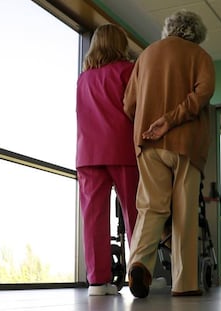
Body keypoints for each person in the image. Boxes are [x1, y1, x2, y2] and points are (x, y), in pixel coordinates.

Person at [123, 10, 215, 298]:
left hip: (148, 142)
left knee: (151, 207)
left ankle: (139, 262)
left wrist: (151, 121)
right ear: (196, 34)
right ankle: (185, 284)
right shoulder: (200, 56)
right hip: (187, 144)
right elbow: (203, 94)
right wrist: (173, 118)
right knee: (185, 212)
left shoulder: (146, 56)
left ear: (169, 30)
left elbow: (128, 105)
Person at [76, 24, 138, 296]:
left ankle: (97, 283)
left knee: (93, 217)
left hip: (88, 152)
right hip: (121, 148)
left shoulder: (83, 78)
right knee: (135, 213)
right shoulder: (127, 70)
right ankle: (140, 274)